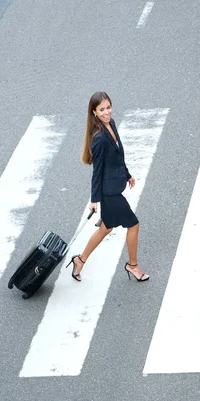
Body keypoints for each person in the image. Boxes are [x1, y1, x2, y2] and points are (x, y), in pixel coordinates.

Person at [66, 91, 149, 282]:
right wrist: (95, 199)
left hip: (114, 184)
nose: (106, 112)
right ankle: (133, 266)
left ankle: (80, 260)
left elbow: (118, 155)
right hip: (109, 192)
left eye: (108, 107)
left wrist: (127, 174)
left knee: (105, 228)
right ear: (94, 112)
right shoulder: (99, 138)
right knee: (133, 224)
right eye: (101, 109)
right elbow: (98, 171)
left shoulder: (110, 124)